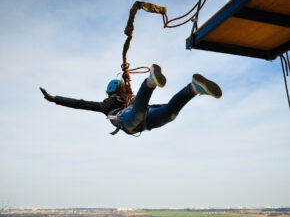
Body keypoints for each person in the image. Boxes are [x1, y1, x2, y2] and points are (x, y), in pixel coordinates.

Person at [40, 64, 222, 135]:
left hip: (136, 119)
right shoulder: (108, 105)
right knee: (149, 112)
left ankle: (191, 88)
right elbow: (80, 104)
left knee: (169, 114)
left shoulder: (131, 99)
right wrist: (54, 98)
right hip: (133, 120)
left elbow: (80, 103)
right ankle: (188, 87)